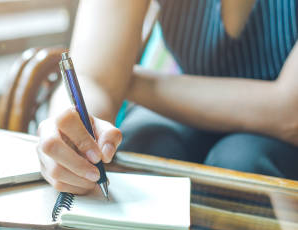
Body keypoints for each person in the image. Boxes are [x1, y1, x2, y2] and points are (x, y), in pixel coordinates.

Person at [37, 0, 298, 195]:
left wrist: (125, 77)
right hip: (185, 113)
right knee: (142, 146)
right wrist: (71, 139)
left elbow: (289, 113)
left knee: (243, 161)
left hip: (286, 140)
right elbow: (91, 79)